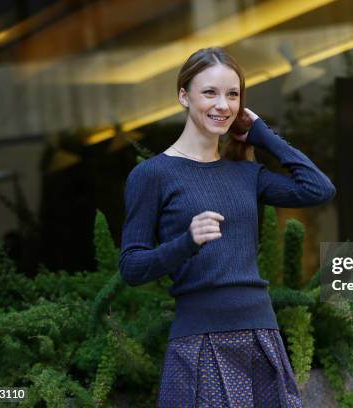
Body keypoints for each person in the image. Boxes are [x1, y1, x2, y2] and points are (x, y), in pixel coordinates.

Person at [119, 47, 336, 407]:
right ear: (183, 96)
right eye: (210, 93)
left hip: (261, 336)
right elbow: (131, 267)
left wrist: (261, 134)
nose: (222, 105)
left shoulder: (247, 174)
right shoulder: (152, 175)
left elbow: (318, 188)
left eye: (232, 94)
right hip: (199, 341)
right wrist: (186, 241)